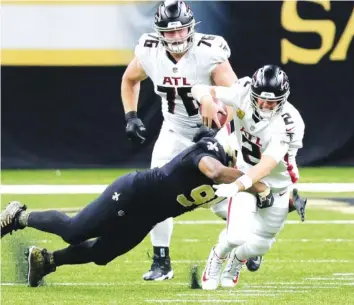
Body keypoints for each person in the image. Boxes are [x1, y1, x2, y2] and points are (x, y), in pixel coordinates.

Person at [0, 127, 271, 288]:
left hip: (147, 216)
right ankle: (18, 215)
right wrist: (254, 182)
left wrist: (283, 199)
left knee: (103, 253)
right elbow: (213, 171)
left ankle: (46, 261)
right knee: (75, 231)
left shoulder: (233, 179)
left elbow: (241, 205)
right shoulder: (211, 149)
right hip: (132, 193)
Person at [121, 0, 239, 280]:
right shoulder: (149, 51)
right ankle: (161, 262)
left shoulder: (208, 52)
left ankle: (248, 242)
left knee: (219, 199)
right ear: (159, 31)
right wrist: (131, 115)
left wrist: (216, 131)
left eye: (180, 31)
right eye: (169, 32)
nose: (175, 37)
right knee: (154, 193)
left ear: (191, 28)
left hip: (213, 134)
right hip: (174, 130)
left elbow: (235, 96)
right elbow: (130, 79)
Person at [191, 64, 307, 290]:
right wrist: (206, 99)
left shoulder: (290, 122)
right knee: (235, 236)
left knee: (260, 245)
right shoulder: (243, 91)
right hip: (246, 174)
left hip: (277, 184)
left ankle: (237, 260)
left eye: (272, 101)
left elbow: (267, 164)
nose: (265, 105)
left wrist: (235, 185)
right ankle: (217, 256)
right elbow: (200, 88)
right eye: (261, 99)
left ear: (283, 99)